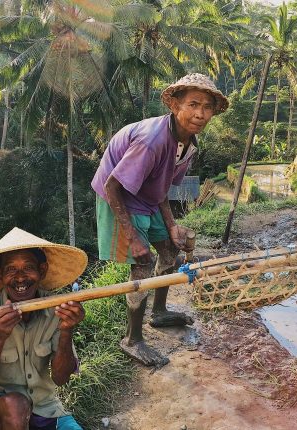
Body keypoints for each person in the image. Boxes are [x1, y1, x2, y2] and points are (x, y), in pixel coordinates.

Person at [91, 73, 228, 367]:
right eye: (193, 104)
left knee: (169, 250)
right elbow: (112, 186)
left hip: (146, 195)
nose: (200, 113)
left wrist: (172, 226)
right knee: (141, 263)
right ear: (175, 104)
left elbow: (163, 186)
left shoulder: (188, 143)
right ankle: (132, 339)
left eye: (207, 107)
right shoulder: (152, 141)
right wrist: (133, 237)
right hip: (120, 197)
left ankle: (160, 311)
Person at [0, 227, 88, 430]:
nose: (20, 278)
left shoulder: (56, 310)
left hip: (45, 408)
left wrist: (67, 330)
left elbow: (61, 378)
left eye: (28, 268)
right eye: (11, 270)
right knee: (16, 405)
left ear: (41, 270)